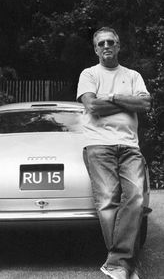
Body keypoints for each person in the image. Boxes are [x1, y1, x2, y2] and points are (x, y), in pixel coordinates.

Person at [77, 27, 151, 279]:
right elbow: (92, 105)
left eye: (111, 42)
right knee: (108, 200)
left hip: (130, 145)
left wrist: (112, 97)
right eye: (101, 43)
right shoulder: (89, 74)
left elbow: (145, 104)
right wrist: (125, 101)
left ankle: (117, 263)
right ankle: (123, 266)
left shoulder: (132, 75)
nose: (106, 46)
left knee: (136, 199)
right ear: (96, 49)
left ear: (119, 46)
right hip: (98, 144)